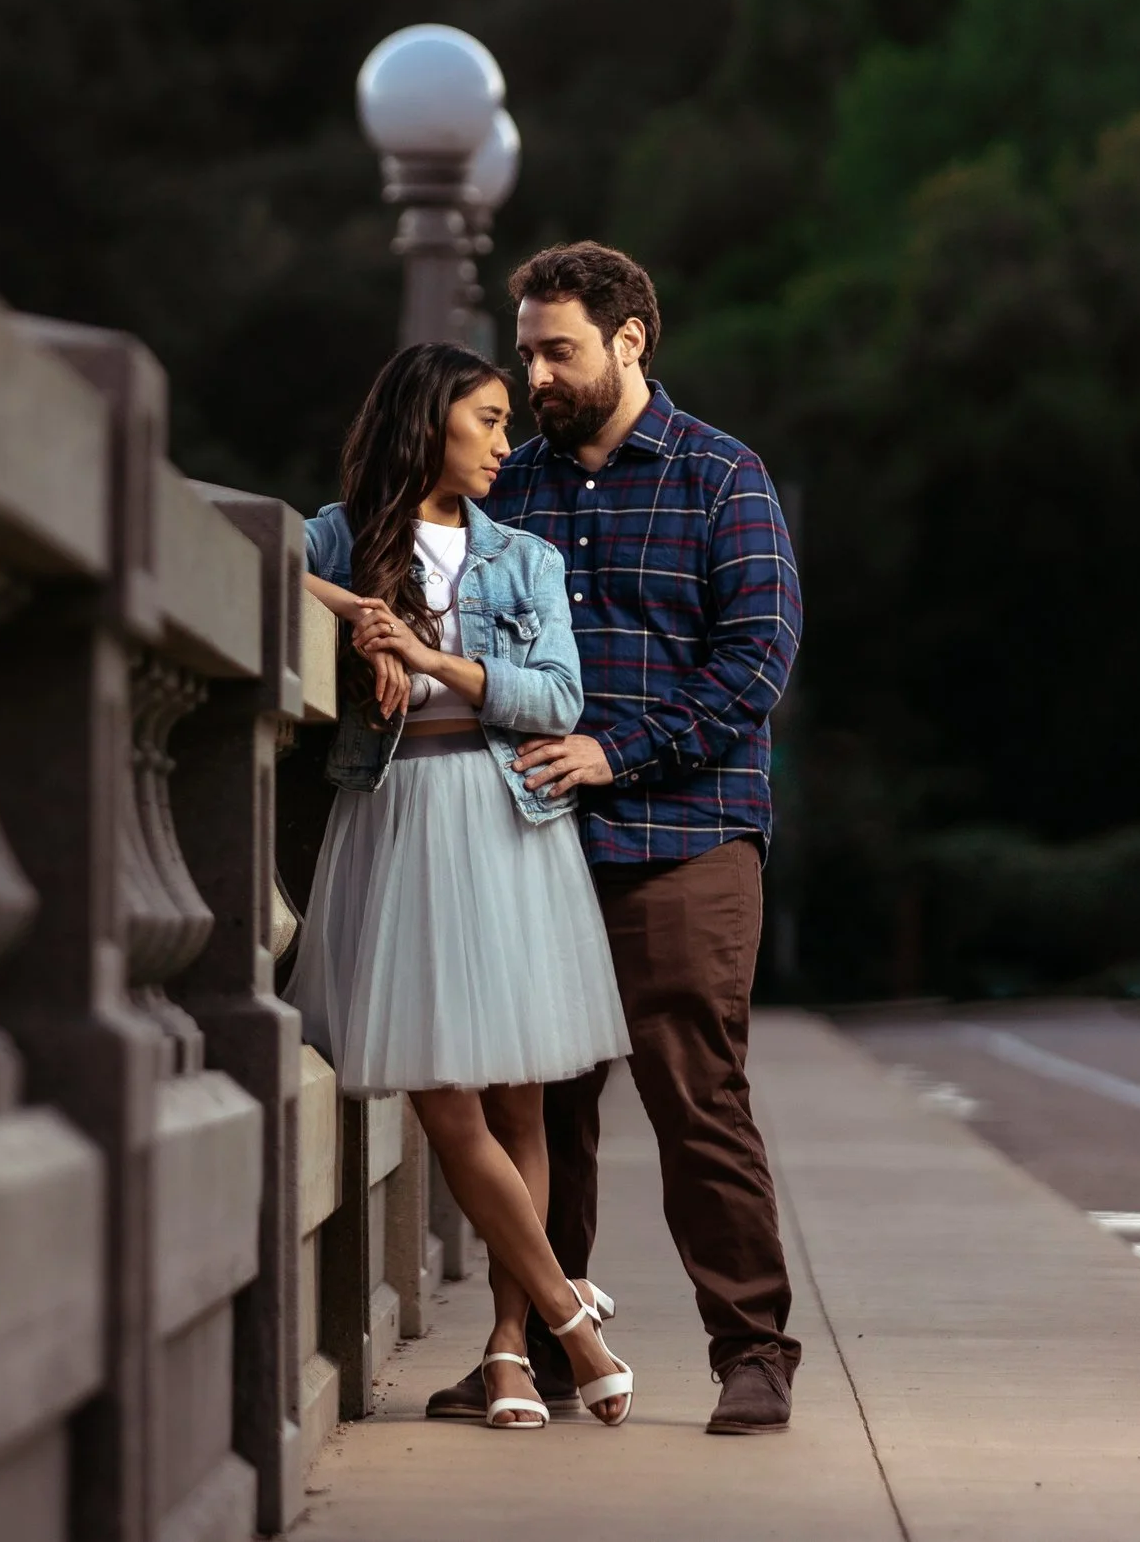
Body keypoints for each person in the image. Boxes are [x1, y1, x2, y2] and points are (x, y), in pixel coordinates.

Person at [424, 241, 807, 1435]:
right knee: (540, 1106)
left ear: (629, 342)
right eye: (526, 348)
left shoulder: (719, 477)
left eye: (558, 349)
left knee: (696, 1093)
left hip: (685, 835)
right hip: (531, 842)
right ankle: (540, 1349)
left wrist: (614, 749)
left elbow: (756, 660)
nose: (534, 372)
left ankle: (751, 1350)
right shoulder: (510, 485)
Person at [289, 341, 636, 1429]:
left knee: (517, 1096)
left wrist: (431, 658)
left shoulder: (522, 558)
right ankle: (571, 1318)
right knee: (446, 1096)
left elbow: (560, 697)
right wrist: (356, 615)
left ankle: (508, 1349)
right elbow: (239, 556)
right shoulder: (341, 534)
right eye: (484, 418)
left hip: (502, 822)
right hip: (398, 817)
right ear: (427, 419)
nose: (502, 439)